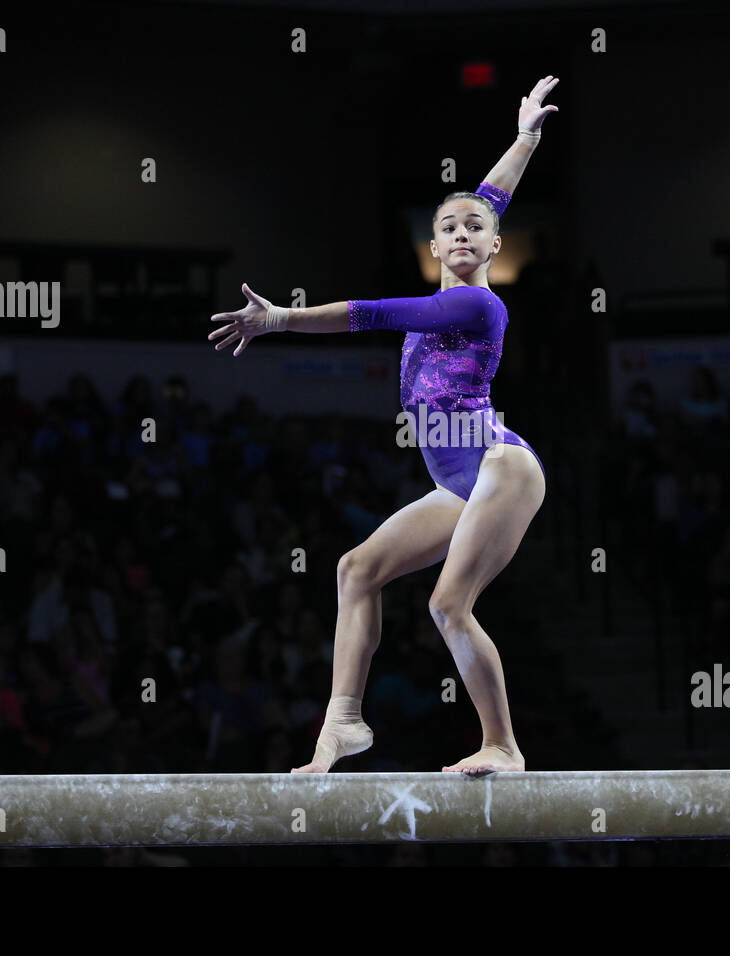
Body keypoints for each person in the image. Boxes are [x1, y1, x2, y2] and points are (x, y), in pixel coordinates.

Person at [209, 76, 560, 775]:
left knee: (448, 606)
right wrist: (525, 137)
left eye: (476, 229)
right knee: (357, 569)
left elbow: (367, 313)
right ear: (435, 246)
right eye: (449, 228)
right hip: (459, 481)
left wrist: (280, 319)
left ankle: (502, 744)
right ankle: (343, 722)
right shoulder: (467, 247)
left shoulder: (476, 309)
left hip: (500, 465)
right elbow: (491, 193)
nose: (463, 232)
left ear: (495, 248)